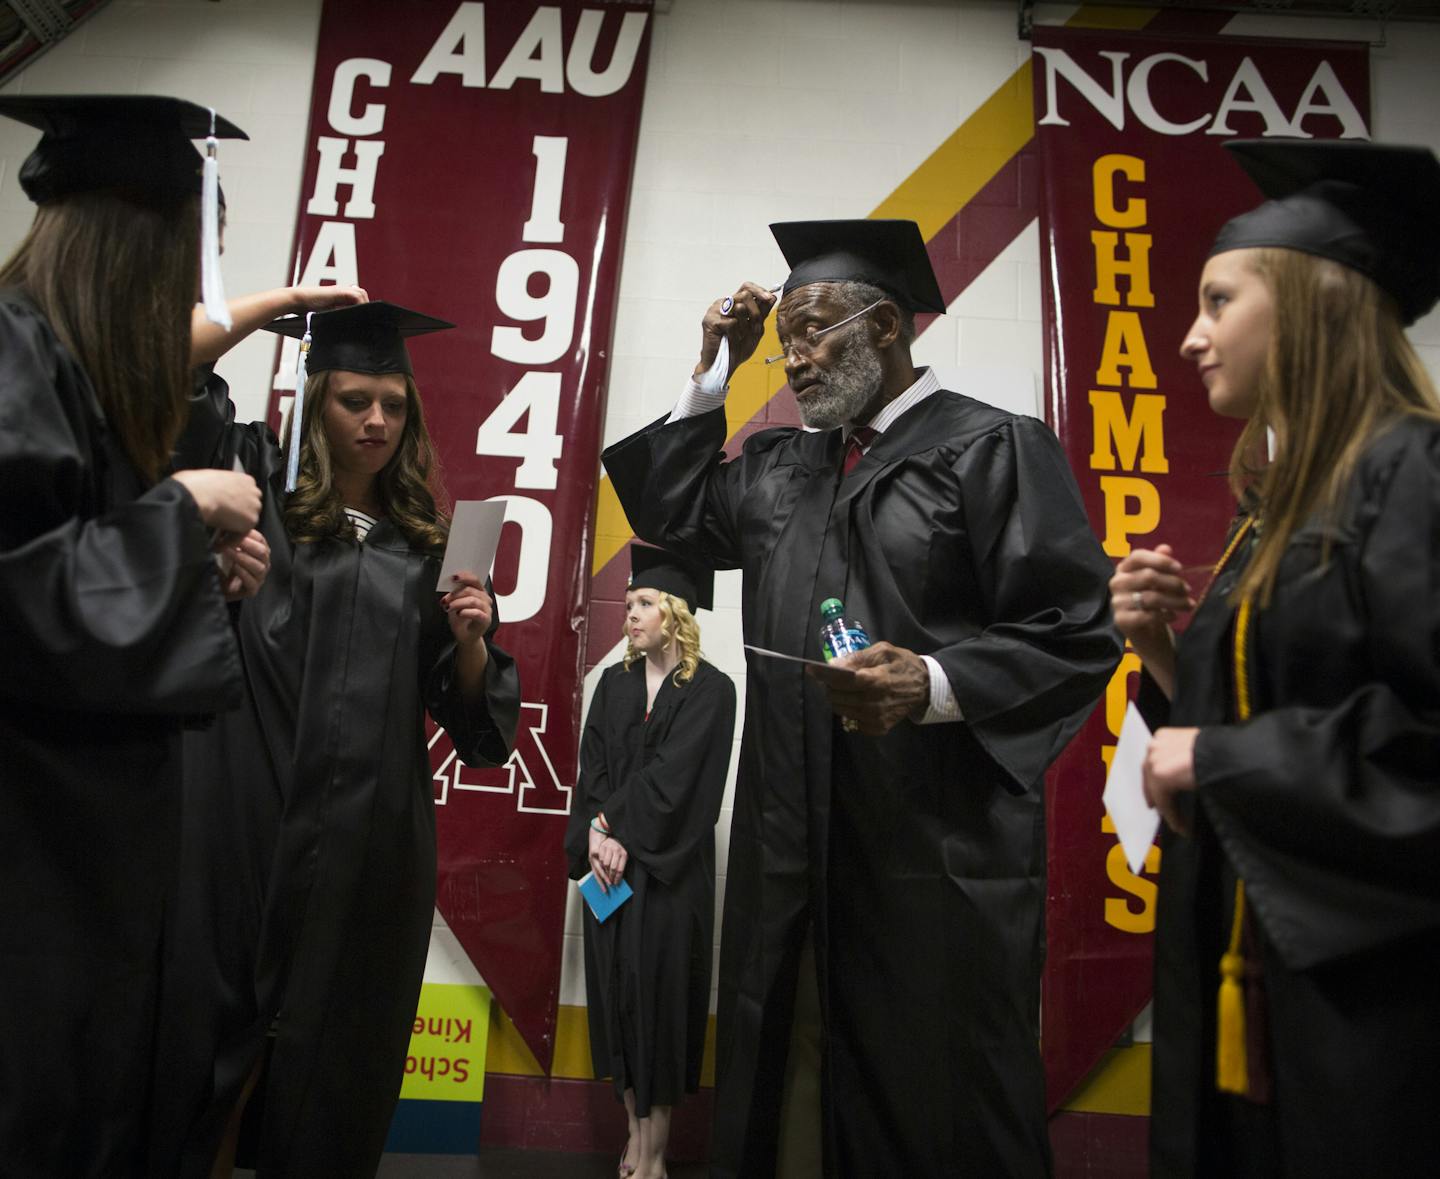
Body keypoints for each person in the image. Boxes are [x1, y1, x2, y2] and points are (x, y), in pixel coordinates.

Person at [602, 219, 1121, 1178]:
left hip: (926, 850)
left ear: (884, 325)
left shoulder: (989, 448)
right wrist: (714, 369)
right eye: (786, 334)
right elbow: (671, 512)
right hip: (786, 848)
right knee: (787, 1086)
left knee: (930, 1097)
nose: (793, 357)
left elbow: (1077, 628)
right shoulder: (778, 467)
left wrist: (932, 682)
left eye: (813, 331)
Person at [1110, 140, 1440, 1178]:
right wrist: (1162, 653)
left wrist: (1219, 763)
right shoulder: (1281, 508)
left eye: (1218, 302)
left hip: (1369, 1000)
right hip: (1255, 966)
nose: (1191, 338)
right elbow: (1248, 721)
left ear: (1305, 306)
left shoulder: (1412, 473)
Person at [153, 299, 522, 1177]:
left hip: (367, 854)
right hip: (246, 832)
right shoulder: (253, 492)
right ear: (316, 402)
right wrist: (276, 305)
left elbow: (473, 728)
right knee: (209, 1064)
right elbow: (169, 384)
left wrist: (472, 641)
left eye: (393, 403)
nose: (378, 420)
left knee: (330, 1077)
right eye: (355, 399)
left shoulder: (424, 549)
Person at [0, 96, 264, 1177]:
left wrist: (192, 560)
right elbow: (21, 587)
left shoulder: (73, 378)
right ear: (132, 251)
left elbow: (80, 559)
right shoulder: (14, 351)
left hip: (83, 864)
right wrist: (183, 507)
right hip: (25, 861)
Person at [564, 545, 737, 1179]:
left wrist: (612, 824)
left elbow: (680, 781)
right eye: (629, 602)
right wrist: (593, 833)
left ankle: (655, 1149)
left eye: (643, 603)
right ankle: (631, 1134)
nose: (629, 613)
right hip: (609, 873)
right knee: (620, 1003)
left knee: (660, 1006)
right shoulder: (613, 683)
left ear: (675, 612)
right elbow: (595, 771)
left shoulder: (712, 692)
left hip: (667, 876)